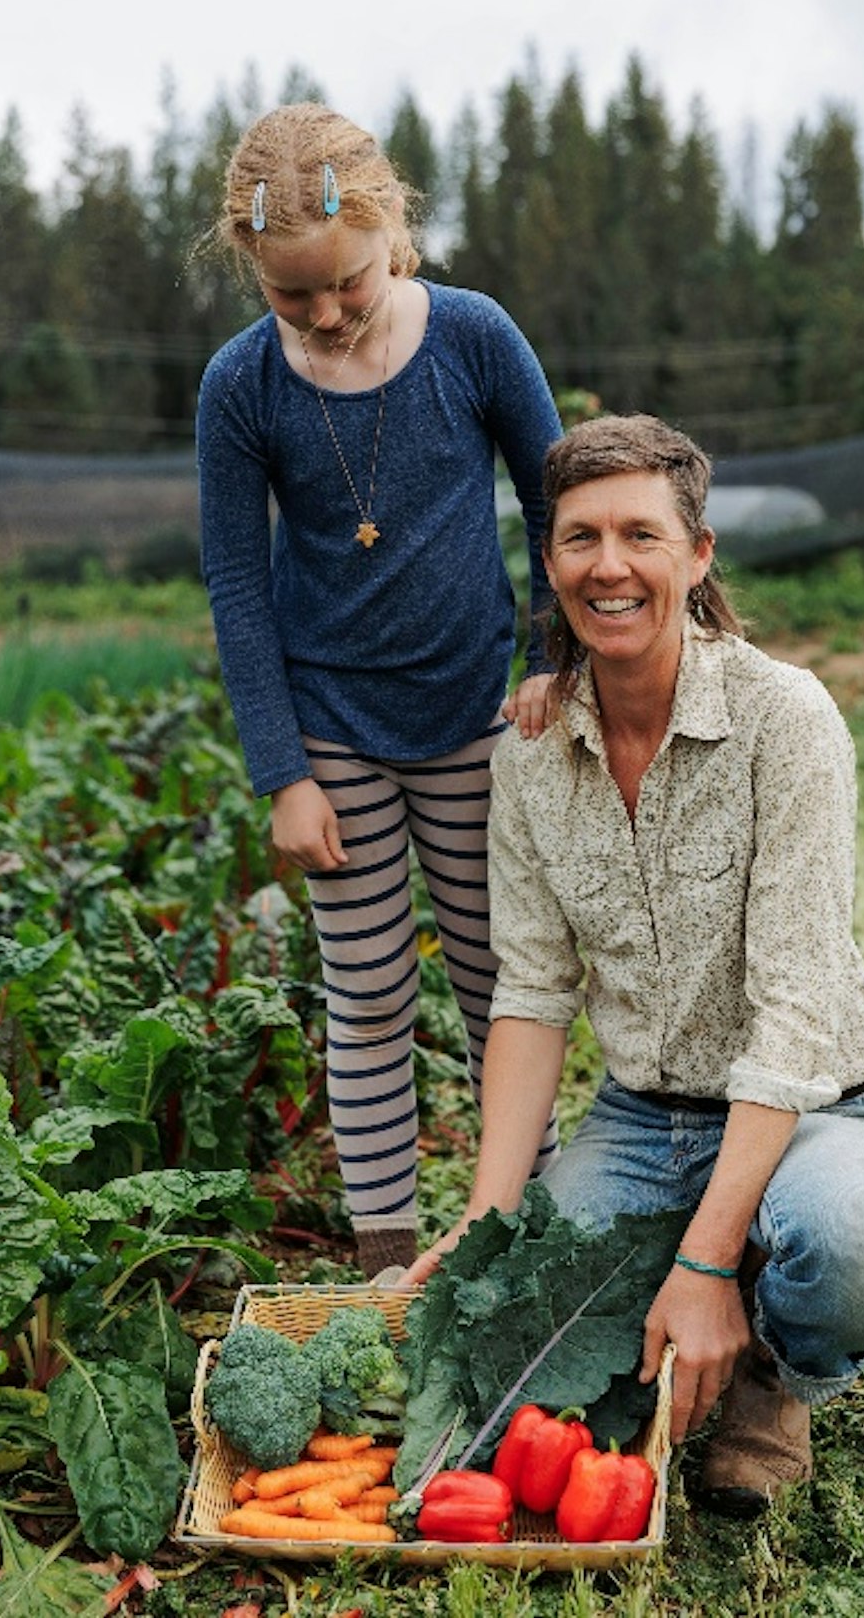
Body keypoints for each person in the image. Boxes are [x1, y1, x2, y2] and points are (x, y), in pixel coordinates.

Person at [407, 414, 864, 1515]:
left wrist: (699, 1265)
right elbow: (534, 990)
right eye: (580, 538)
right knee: (524, 1350)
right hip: (640, 1121)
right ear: (549, 561)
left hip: (812, 1110)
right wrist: (485, 1212)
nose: (609, 565)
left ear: (698, 556)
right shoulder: (533, 754)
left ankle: (775, 1370)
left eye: (642, 535)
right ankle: (719, 1263)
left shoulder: (783, 719)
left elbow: (795, 1009)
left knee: (858, 1247)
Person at [196, 103, 561, 1280]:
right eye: (291, 294)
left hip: (474, 722)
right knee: (365, 999)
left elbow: (557, 502)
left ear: (391, 226)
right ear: (254, 271)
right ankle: (388, 1262)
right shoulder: (240, 387)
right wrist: (283, 772)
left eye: (345, 282)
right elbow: (238, 581)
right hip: (333, 732)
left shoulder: (473, 337)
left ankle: (521, 1236)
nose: (326, 313)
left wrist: (551, 664)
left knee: (502, 983)